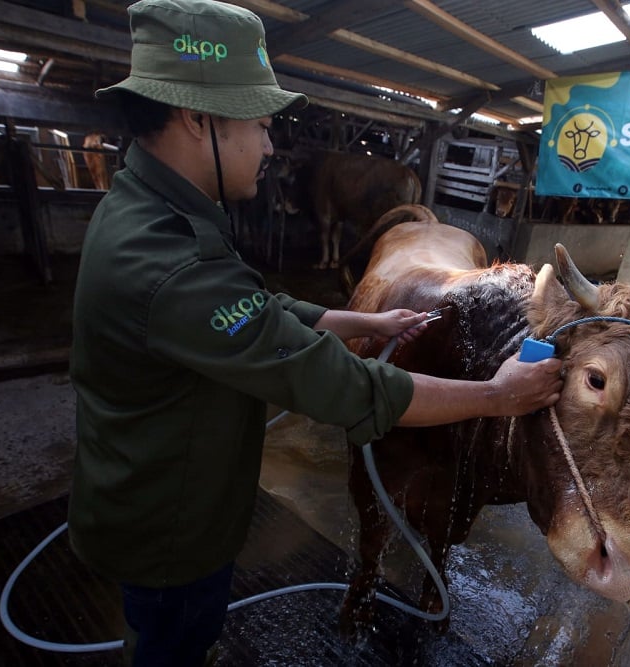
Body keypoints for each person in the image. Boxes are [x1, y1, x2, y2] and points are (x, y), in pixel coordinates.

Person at [67, 1, 563, 665]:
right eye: (262, 125)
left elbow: (253, 308)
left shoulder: (154, 210)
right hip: (170, 530)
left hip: (159, 494)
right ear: (197, 118)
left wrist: (364, 318)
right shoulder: (166, 261)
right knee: (173, 643)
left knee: (180, 636)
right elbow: (342, 384)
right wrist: (497, 396)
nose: (271, 146)